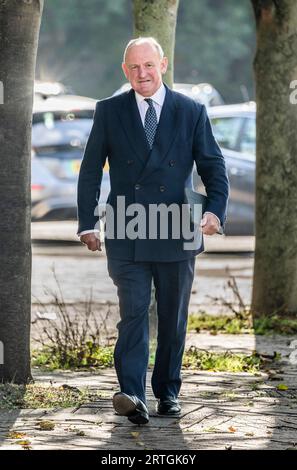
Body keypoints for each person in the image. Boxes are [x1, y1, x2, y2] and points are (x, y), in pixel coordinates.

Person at [77, 37, 229, 425]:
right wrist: (87, 223)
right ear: (124, 70)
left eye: (148, 65)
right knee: (133, 313)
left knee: (173, 317)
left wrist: (214, 212)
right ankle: (131, 393)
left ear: (163, 65)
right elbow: (91, 170)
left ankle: (168, 391)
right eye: (133, 67)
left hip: (177, 228)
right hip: (126, 229)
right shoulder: (109, 111)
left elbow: (214, 167)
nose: (141, 74)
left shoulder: (191, 110)